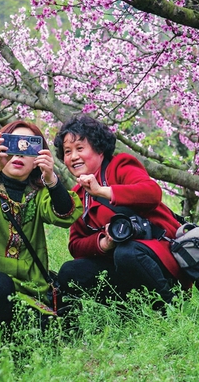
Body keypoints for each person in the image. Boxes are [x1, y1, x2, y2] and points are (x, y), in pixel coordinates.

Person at [0, 120, 82, 341]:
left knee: (58, 332)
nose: (19, 154)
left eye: (28, 148)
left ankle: (15, 340)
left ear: (38, 158)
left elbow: (66, 214)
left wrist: (52, 180)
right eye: (12, 145)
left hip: (28, 292)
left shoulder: (39, 195)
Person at [54, 114, 185, 316]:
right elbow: (75, 245)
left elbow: (152, 193)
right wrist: (104, 243)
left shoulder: (120, 166)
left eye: (80, 149)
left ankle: (170, 307)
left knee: (127, 253)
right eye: (67, 152)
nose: (73, 157)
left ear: (99, 149)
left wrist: (103, 191)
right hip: (117, 261)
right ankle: (129, 312)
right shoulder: (78, 195)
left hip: (159, 253)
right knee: (69, 272)